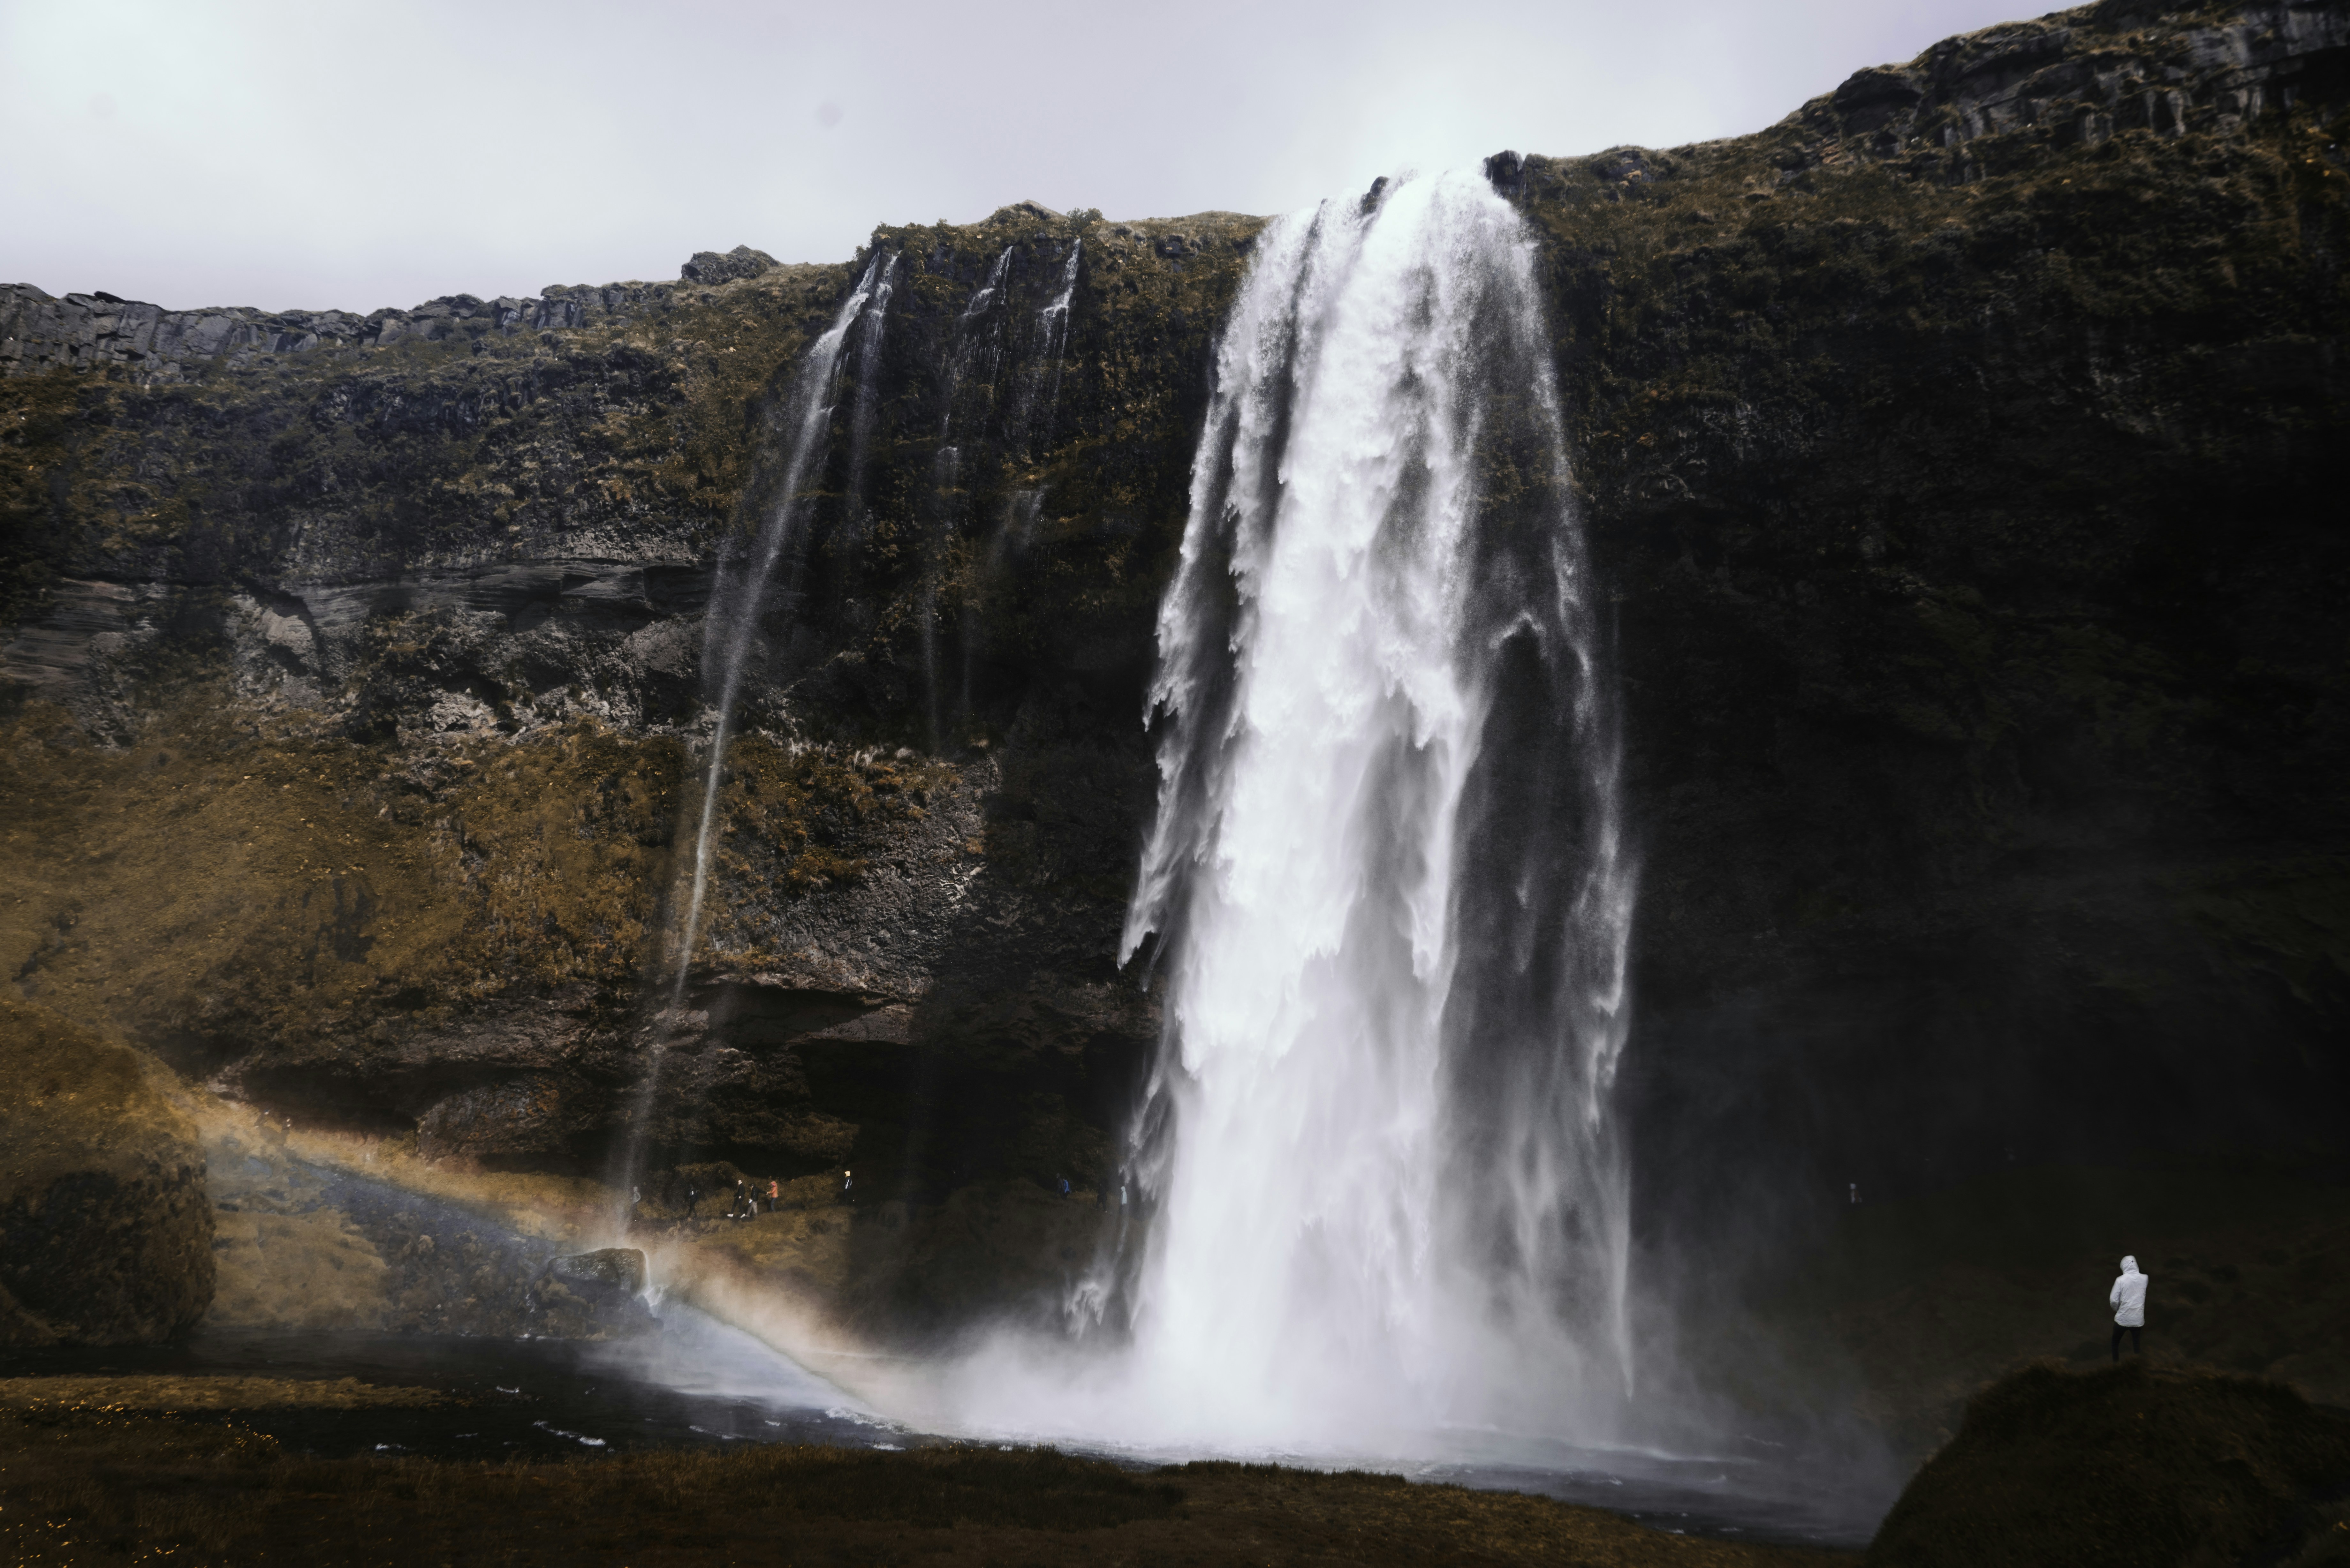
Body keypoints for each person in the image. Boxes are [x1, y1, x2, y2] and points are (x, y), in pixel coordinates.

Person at [2110, 1255, 2149, 1360]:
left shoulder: (2120, 1280)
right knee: (2136, 1346)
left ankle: (2116, 1368)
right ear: (2136, 1264)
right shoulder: (2145, 1278)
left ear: (2123, 1267)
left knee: (2115, 1343)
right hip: (2138, 1321)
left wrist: (2117, 1309)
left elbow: (2114, 1300)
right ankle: (2137, 1367)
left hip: (2122, 1320)